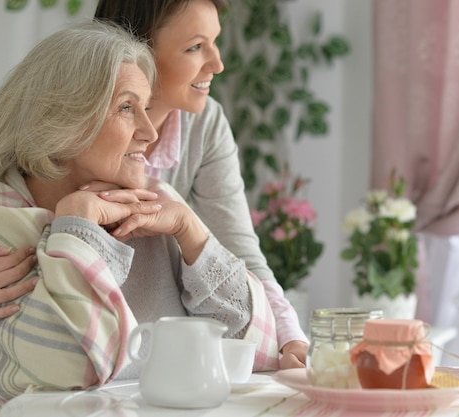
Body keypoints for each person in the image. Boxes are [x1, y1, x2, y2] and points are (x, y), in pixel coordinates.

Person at [0, 0, 309, 368]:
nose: (149, 133)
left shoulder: (191, 145)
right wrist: (80, 221)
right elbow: (72, 358)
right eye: (194, 46)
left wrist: (291, 340)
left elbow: (243, 264)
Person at [93, 0, 309, 368]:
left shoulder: (205, 124)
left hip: (162, 352)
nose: (218, 64)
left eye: (215, 42)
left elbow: (240, 250)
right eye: (195, 47)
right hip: (95, 342)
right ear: (134, 50)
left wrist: (291, 339)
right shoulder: (78, 117)